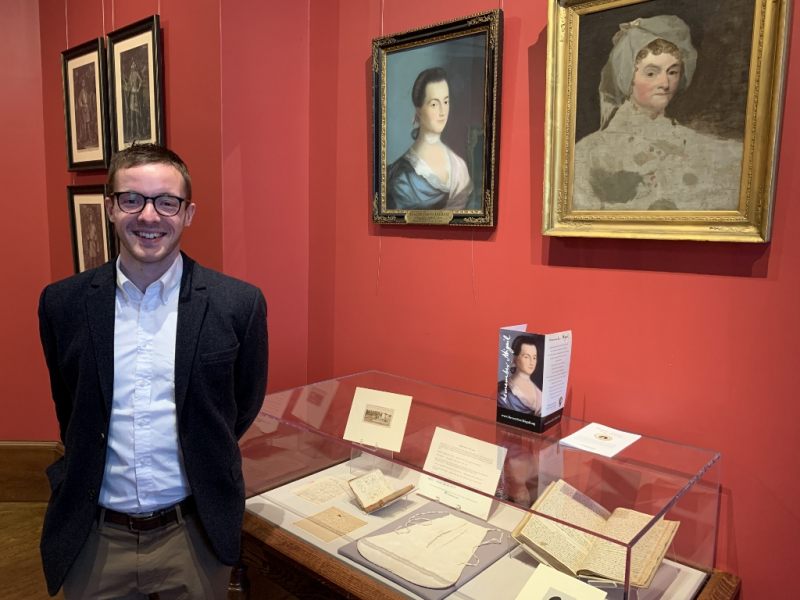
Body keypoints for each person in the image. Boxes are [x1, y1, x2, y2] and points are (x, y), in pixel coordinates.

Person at [38, 143, 268, 598]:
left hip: (194, 536)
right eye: (131, 199)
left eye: (167, 201)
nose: (148, 216)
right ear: (110, 208)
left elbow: (240, 406)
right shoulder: (62, 304)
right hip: (96, 538)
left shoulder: (237, 305)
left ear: (188, 213)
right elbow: (71, 405)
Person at [573, 15, 743, 211]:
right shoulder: (590, 151)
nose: (664, 84)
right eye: (651, 73)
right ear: (628, 77)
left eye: (672, 72)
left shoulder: (697, 143)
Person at [387, 67, 473, 210]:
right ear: (419, 111)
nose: (442, 112)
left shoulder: (459, 166)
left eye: (446, 102)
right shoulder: (399, 176)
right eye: (434, 104)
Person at [497, 334, 543, 415]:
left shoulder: (539, 391)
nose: (532, 362)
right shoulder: (503, 390)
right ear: (515, 358)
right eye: (526, 357)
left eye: (534, 357)